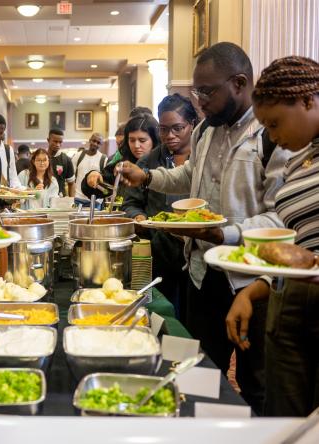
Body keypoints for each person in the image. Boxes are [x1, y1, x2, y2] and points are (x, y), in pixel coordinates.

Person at [118, 42, 292, 415]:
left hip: (250, 278)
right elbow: (187, 176)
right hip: (202, 272)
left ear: (240, 83)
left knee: (253, 381)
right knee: (200, 371)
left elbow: (282, 217)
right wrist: (146, 176)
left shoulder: (272, 132)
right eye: (195, 92)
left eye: (207, 92)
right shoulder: (206, 131)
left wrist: (224, 233)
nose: (199, 101)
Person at [226, 56, 319, 417]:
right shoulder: (300, 158)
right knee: (285, 421)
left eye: (275, 123)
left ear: (308, 100)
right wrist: (255, 287)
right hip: (292, 305)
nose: (273, 135)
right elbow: (303, 248)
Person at [122, 94, 197, 323]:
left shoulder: (204, 158)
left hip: (197, 252)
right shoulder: (148, 161)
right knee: (165, 316)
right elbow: (131, 203)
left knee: (195, 321)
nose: (170, 136)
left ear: (192, 124)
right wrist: (140, 218)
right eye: (164, 130)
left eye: (177, 128)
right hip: (161, 251)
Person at [82, 115, 159, 210]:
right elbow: (100, 186)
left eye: (142, 140)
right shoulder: (122, 165)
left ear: (154, 140)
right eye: (132, 140)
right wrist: (91, 177)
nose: (136, 145)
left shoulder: (163, 166)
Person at [71, 133, 107, 207]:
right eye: (94, 141)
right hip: (78, 198)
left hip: (95, 200)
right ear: (89, 140)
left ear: (101, 145)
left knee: (94, 219)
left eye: (98, 143)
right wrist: (72, 197)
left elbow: (105, 181)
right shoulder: (78, 156)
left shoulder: (103, 159)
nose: (95, 144)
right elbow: (71, 178)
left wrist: (101, 198)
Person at [0, 113, 21, 189]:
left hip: (3, 196)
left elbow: (13, 177)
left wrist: (20, 191)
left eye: (0, 133)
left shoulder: (8, 150)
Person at [47, 128, 75, 197]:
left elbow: (71, 183)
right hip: (43, 198)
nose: (58, 144)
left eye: (60, 142)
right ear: (48, 140)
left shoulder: (66, 159)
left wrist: (72, 202)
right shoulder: (41, 157)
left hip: (60, 198)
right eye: (55, 141)